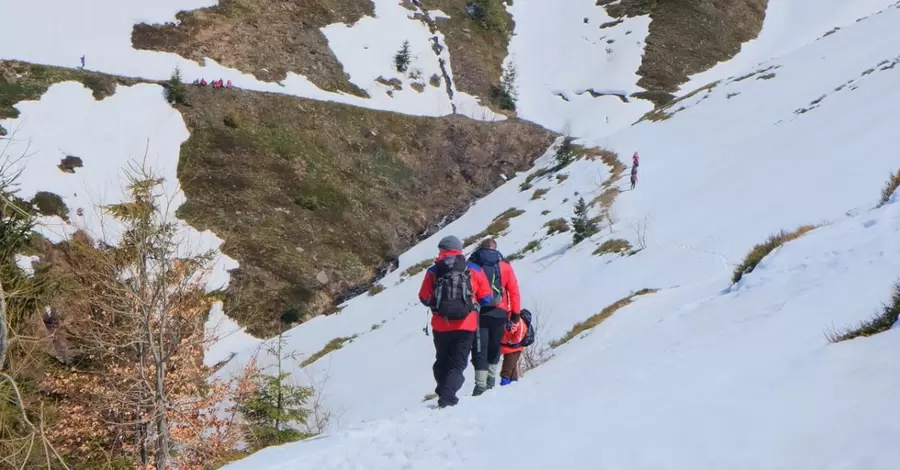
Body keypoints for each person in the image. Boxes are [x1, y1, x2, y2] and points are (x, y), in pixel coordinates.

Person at [418, 235, 493, 408]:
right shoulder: (472, 268)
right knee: (458, 364)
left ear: (442, 250)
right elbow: (486, 297)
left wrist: (438, 305)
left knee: (442, 360)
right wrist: (472, 305)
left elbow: (423, 297)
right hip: (466, 324)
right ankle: (448, 396)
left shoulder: (434, 270)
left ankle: (444, 392)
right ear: (459, 249)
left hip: (440, 324)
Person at [467, 238, 520, 396]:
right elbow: (514, 291)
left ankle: (480, 385)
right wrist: (515, 314)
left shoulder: (473, 265)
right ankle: (491, 381)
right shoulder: (505, 266)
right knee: (495, 347)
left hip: (479, 312)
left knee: (479, 348)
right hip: (500, 312)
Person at [499, 309, 530, 386]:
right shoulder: (507, 317)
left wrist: (511, 342)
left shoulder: (517, 320)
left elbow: (519, 335)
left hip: (514, 348)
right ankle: (513, 384)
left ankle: (505, 384)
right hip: (508, 348)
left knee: (507, 368)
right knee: (512, 367)